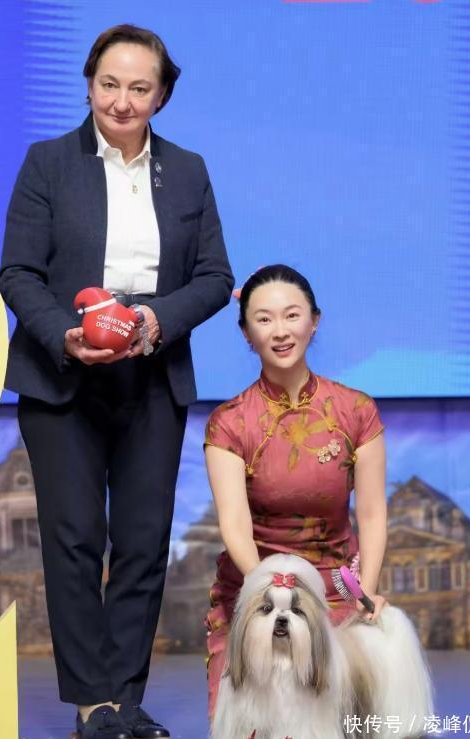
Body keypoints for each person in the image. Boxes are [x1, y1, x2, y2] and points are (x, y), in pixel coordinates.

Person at [0, 24, 234, 739]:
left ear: (161, 95)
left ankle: (124, 702)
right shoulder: (47, 162)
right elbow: (18, 272)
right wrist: (64, 335)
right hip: (62, 376)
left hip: (152, 374)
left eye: (139, 87)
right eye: (108, 84)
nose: (121, 101)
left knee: (142, 542)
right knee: (74, 539)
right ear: (88, 84)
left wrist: (156, 321)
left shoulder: (187, 170)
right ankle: (91, 704)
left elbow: (214, 277)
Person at [203, 264, 387, 716]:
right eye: (264, 319)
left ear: (314, 321)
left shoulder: (356, 411)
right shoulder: (229, 423)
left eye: (292, 315)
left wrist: (365, 594)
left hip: (334, 594)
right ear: (246, 332)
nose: (281, 331)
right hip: (254, 595)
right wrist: (266, 595)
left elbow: (371, 514)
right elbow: (234, 524)